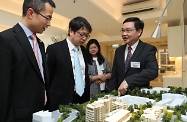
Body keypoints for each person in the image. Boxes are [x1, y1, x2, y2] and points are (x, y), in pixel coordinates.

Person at [0, 0, 56, 121]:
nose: (49, 23)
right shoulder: (6, 39)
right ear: (31, 13)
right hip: (20, 117)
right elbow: (3, 89)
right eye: (47, 18)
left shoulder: (40, 44)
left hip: (43, 113)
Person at [46, 16, 92, 111]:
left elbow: (84, 74)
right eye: (82, 34)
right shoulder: (54, 49)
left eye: (87, 35)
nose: (84, 38)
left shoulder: (84, 51)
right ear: (71, 31)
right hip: (62, 100)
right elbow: (48, 77)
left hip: (83, 98)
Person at [107, 17, 158, 96]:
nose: (124, 34)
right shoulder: (119, 51)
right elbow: (114, 75)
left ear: (139, 32)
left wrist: (127, 81)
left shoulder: (148, 49)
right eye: (123, 30)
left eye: (128, 30)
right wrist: (111, 94)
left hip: (138, 95)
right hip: (120, 96)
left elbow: (152, 71)